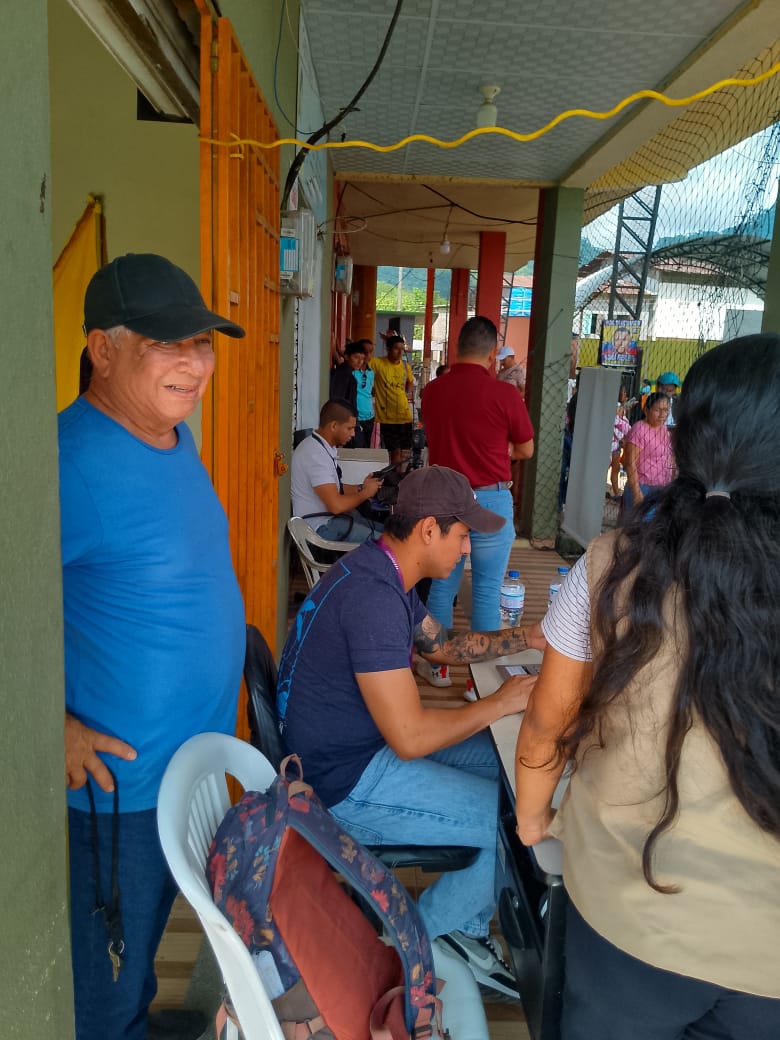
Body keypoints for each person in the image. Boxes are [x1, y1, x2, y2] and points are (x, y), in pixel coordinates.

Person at [514, 333, 780, 1039]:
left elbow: (546, 723)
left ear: (687, 436)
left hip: (629, 914)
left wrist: (534, 818)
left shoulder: (612, 564)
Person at [61, 253, 247, 1040]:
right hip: (121, 798)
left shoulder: (174, 439)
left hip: (189, 772)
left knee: (145, 954)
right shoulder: (66, 463)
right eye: (167, 343)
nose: (194, 364)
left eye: (201, 343)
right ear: (102, 350)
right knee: (107, 987)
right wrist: (51, 725)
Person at [276, 465, 546, 996]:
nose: (466, 549)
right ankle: (420, 940)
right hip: (345, 784)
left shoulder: (383, 570)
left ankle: (465, 929)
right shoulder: (374, 598)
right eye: (462, 535)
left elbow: (440, 644)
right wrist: (499, 702)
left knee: (509, 765)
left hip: (357, 749)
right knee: (518, 824)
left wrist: (530, 636)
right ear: (428, 530)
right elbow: (411, 738)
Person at [420, 317, 534, 668]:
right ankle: (480, 680)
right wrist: (500, 452)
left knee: (441, 587)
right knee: (486, 590)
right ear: (492, 355)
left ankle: (437, 667)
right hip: (492, 500)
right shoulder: (505, 394)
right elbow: (526, 449)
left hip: (444, 500)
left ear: (456, 349)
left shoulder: (432, 392)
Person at [290, 399, 384, 542]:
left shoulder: (322, 446)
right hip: (320, 528)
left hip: (329, 519)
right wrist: (365, 493)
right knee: (387, 544)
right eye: (349, 428)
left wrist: (361, 487)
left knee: (388, 533)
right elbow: (336, 506)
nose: (353, 434)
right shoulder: (315, 455)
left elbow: (335, 488)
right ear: (334, 426)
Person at [621, 391, 675, 513]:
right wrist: (637, 493)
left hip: (660, 487)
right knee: (639, 523)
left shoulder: (663, 429)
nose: (662, 414)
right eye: (657, 410)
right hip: (642, 487)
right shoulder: (639, 429)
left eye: (666, 410)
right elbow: (630, 463)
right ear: (646, 410)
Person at [371, 333, 415, 465]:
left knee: (405, 452)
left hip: (404, 415)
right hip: (387, 417)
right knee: (394, 451)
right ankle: (396, 475)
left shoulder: (405, 366)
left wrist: (407, 392)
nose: (400, 352)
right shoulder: (378, 363)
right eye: (396, 348)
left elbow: (410, 382)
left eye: (402, 349)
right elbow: (361, 364)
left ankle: (401, 474)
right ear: (388, 349)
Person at [350, 339, 376, 447]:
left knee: (366, 448)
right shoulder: (352, 371)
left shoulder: (371, 372)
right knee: (355, 448)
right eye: (365, 352)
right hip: (356, 417)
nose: (368, 355)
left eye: (370, 352)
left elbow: (369, 392)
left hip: (369, 416)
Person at [328, 341, 364, 413]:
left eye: (362, 358)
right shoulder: (348, 378)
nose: (360, 362)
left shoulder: (341, 371)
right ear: (346, 357)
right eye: (356, 357)